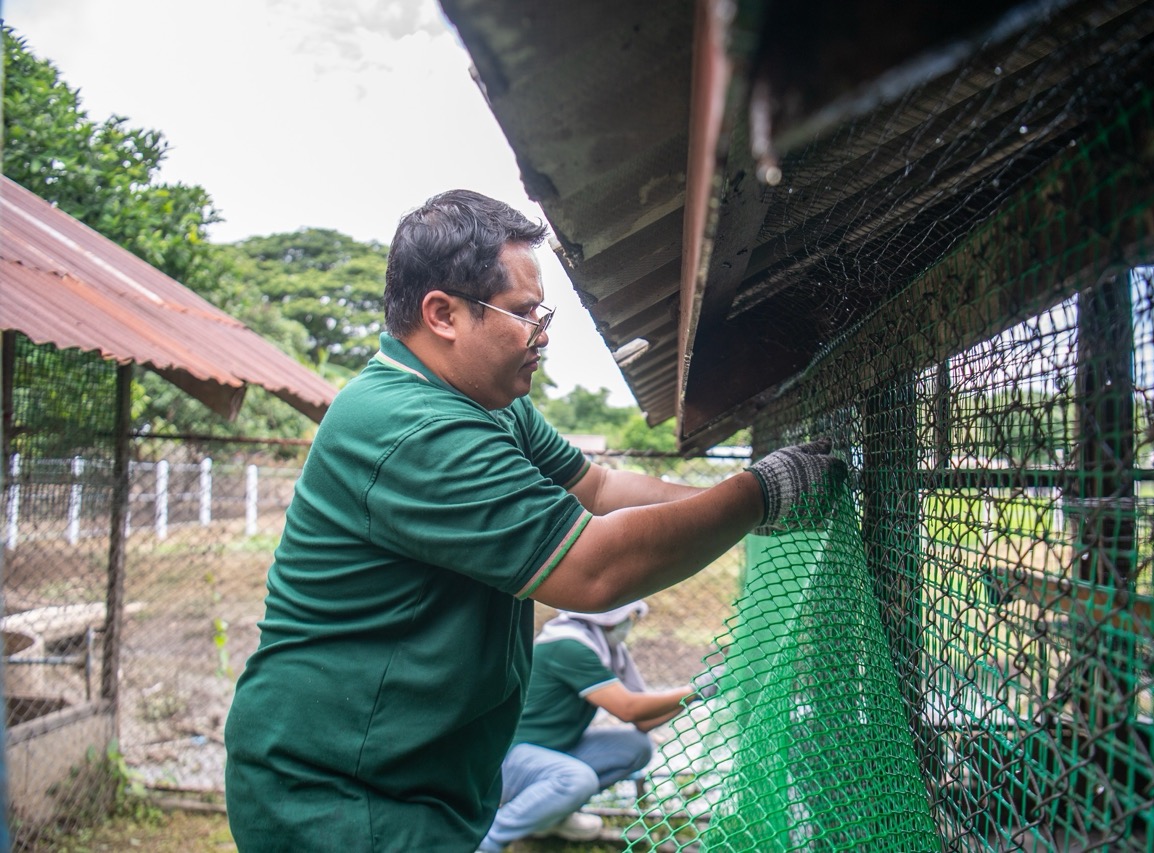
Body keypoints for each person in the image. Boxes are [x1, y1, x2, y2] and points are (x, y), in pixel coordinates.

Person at [223, 189, 844, 852]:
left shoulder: (490, 403)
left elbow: (600, 488)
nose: (541, 333)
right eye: (522, 312)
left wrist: (738, 504)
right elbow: (595, 568)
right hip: (340, 792)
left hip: (413, 778)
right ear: (443, 314)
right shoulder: (412, 427)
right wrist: (758, 496)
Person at [478, 600, 713, 850]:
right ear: (611, 619)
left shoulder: (605, 648)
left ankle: (550, 818)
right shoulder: (568, 645)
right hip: (508, 758)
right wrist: (695, 689)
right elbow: (628, 709)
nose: (630, 622)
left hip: (552, 750)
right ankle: (488, 839)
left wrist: (694, 695)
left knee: (635, 746)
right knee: (576, 780)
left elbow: (643, 721)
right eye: (630, 616)